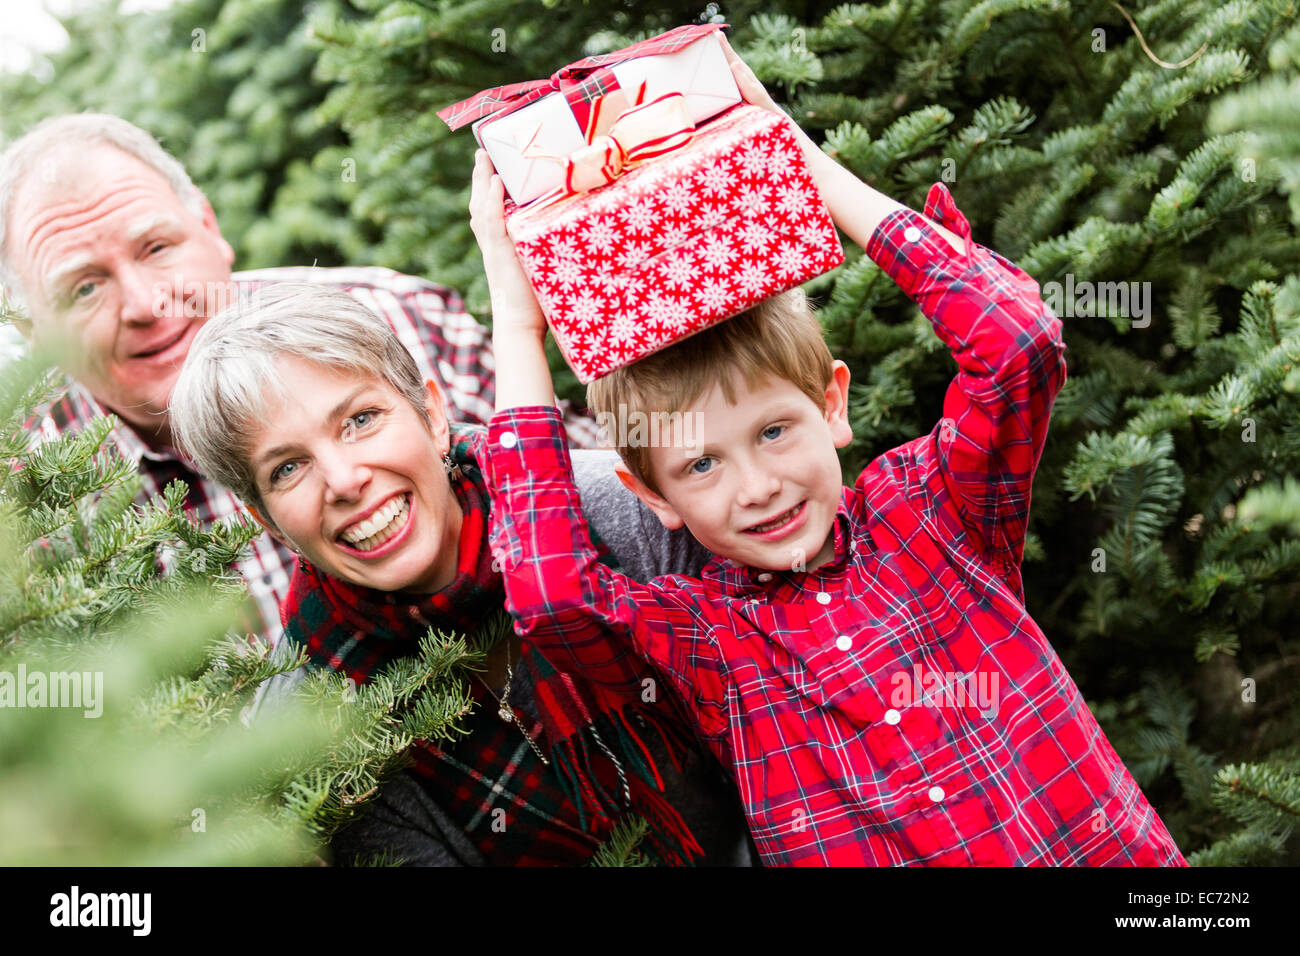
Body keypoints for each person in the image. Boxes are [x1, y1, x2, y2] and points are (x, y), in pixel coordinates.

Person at [472, 36, 1189, 865]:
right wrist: (517, 315)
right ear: (652, 493)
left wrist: (798, 159)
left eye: (774, 432)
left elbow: (1017, 345)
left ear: (833, 405)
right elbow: (552, 598)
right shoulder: (707, 641)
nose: (759, 486)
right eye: (701, 464)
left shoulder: (933, 513)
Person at [168, 282, 756, 866]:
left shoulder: (620, 512)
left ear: (432, 414)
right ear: (265, 519)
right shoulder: (312, 723)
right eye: (289, 467)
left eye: (361, 419)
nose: (344, 480)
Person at [0, 112, 602, 649]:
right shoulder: (28, 503)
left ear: (208, 226)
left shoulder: (398, 319)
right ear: (31, 328)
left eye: (157, 246)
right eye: (84, 287)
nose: (145, 302)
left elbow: (605, 498)